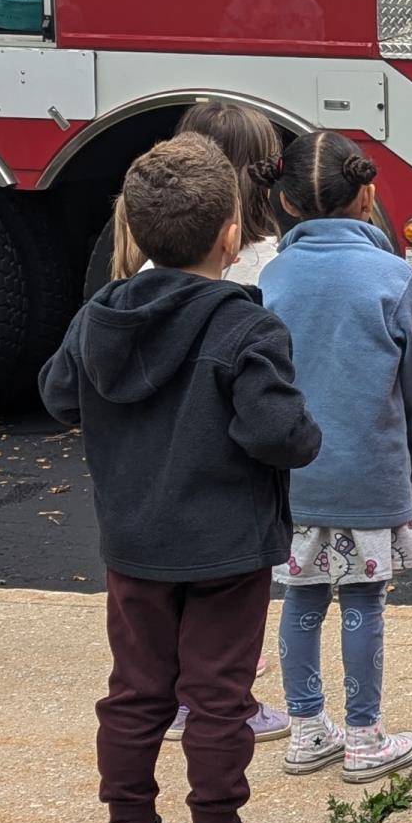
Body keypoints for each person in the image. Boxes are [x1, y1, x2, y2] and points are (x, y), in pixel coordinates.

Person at [42, 133, 320, 823]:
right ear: (233, 235)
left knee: (136, 689)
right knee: (218, 694)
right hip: (226, 549)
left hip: (133, 544)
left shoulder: (102, 314)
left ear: (132, 227)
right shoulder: (247, 327)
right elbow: (277, 434)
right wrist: (307, 430)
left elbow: (59, 394)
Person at [259, 131, 412, 784]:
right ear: (367, 194)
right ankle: (364, 738)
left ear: (288, 202)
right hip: (368, 469)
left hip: (293, 475)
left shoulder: (272, 277)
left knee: (300, 602)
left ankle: (306, 730)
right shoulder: (392, 276)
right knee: (365, 599)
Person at [147, 101, 293, 744]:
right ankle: (229, 701)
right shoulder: (268, 263)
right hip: (232, 470)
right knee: (232, 608)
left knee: (166, 601)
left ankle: (179, 698)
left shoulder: (151, 263)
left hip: (153, 461)